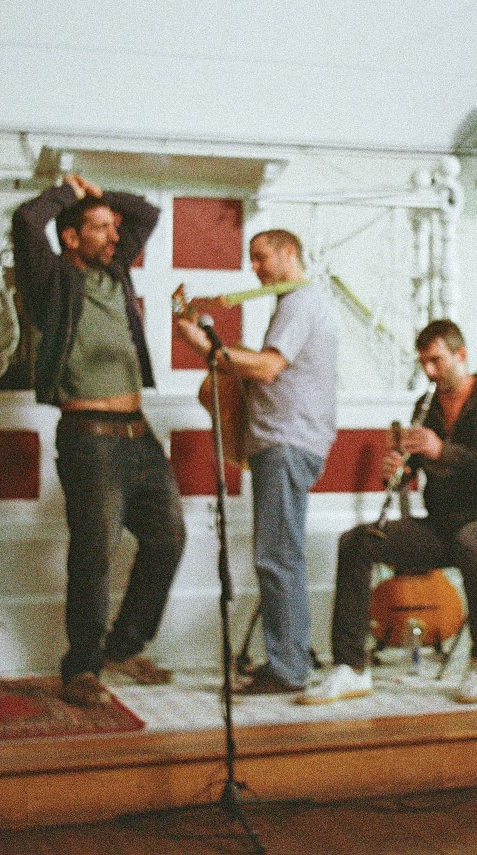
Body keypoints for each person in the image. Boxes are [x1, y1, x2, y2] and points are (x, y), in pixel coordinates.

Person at [12, 173, 185, 709]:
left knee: (168, 537)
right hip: (89, 439)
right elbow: (26, 221)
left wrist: (101, 196)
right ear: (70, 237)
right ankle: (82, 668)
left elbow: (148, 212)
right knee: (95, 553)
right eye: (101, 228)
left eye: (115, 228)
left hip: (139, 433)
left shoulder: (116, 271)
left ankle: (124, 645)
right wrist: (70, 196)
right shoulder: (52, 280)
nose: (115, 236)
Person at [300, 319, 477, 706]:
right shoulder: (427, 405)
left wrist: (443, 451)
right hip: (443, 525)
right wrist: (400, 471)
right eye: (423, 362)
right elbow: (416, 468)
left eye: (436, 361)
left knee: (471, 543)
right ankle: (351, 667)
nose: (429, 371)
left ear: (461, 354)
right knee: (357, 542)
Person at [174, 228, 338, 694]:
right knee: (281, 553)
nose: (256, 268)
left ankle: (287, 668)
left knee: (277, 555)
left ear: (290, 252)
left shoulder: (300, 301)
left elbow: (267, 367)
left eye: (262, 257)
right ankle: (291, 658)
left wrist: (206, 348)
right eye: (252, 259)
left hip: (286, 443)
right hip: (284, 442)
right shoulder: (298, 303)